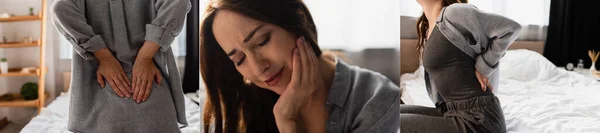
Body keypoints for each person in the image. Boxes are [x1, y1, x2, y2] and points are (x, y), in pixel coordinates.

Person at [200, 0, 400, 132]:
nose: (259, 68)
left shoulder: (377, 102)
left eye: (262, 41)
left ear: (298, 20)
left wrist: (287, 124)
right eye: (239, 60)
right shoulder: (240, 110)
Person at [51, 0, 191, 132]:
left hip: (99, 96)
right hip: (150, 88)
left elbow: (59, 8)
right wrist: (145, 56)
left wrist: (103, 56)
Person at [400, 0, 521, 133]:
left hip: (478, 120)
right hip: (451, 111)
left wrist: (484, 66)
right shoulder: (430, 27)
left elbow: (511, 28)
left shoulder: (455, 13)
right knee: (388, 112)